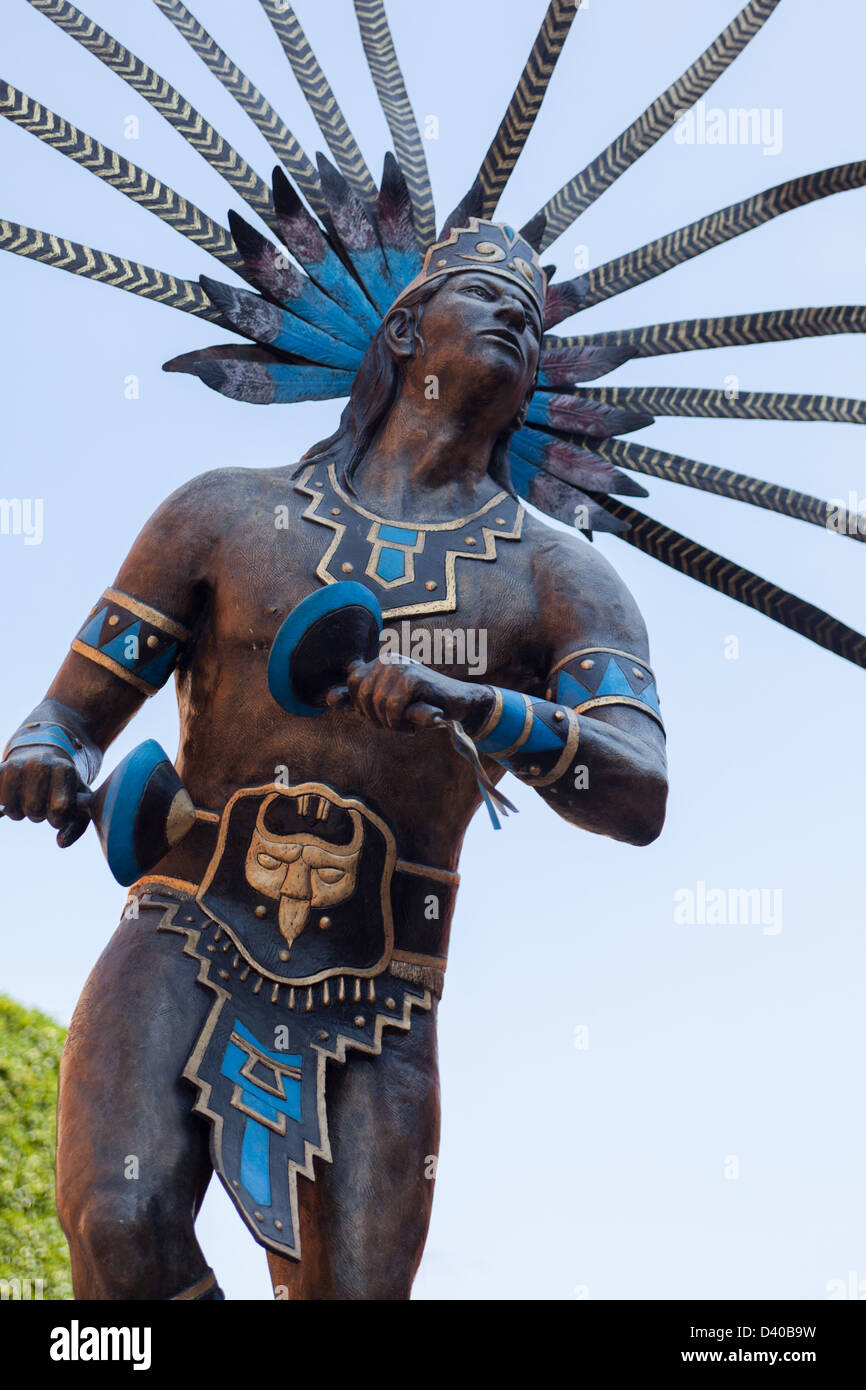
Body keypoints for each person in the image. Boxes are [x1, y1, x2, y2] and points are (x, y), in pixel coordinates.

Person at [0, 221, 667, 1300]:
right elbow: (74, 710)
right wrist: (43, 751)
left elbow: (636, 785)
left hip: (382, 983)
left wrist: (480, 706)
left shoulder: (560, 580)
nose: (515, 322)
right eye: (485, 296)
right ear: (405, 329)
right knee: (117, 1223)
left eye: (533, 322)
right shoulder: (223, 514)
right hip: (188, 919)